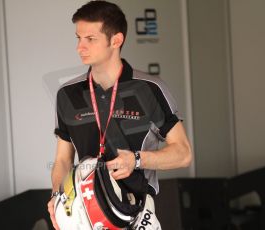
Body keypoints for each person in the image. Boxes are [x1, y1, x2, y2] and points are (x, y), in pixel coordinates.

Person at [47, 1, 192, 229]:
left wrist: (136, 160)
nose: (79, 47)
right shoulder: (67, 94)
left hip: (137, 214)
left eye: (90, 39)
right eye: (78, 38)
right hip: (84, 217)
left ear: (116, 40)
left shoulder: (150, 88)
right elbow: (63, 159)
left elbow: (183, 154)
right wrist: (58, 197)